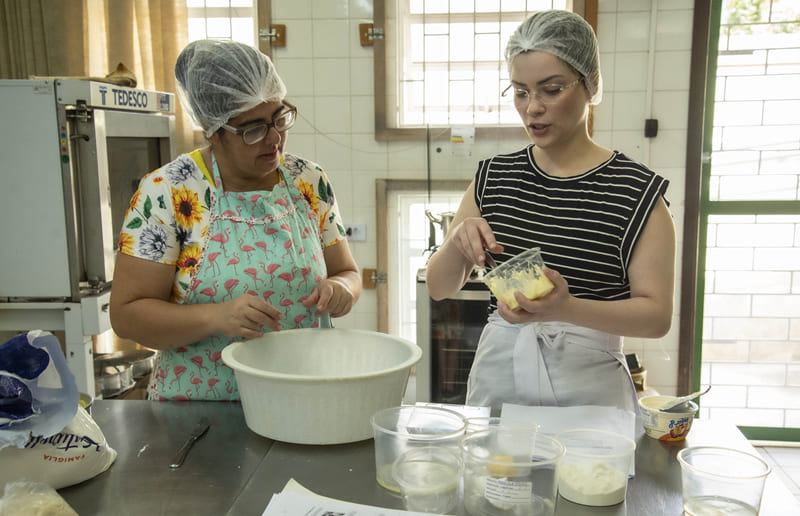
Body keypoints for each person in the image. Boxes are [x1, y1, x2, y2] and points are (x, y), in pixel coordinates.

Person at [425, 10, 675, 415]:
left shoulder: (636, 193)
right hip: (500, 385)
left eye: (551, 89)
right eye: (520, 92)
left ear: (591, 83)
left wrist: (566, 307)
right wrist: (457, 243)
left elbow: (656, 316)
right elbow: (439, 287)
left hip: (589, 397)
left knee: (583, 481)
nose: (533, 108)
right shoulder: (494, 179)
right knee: (498, 479)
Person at [110, 40, 361, 401]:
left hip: (304, 398)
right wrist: (215, 318)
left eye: (279, 117)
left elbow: (348, 273)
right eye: (253, 129)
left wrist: (342, 291)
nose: (275, 138)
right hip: (199, 414)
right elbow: (127, 316)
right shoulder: (167, 193)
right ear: (212, 130)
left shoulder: (309, 181)